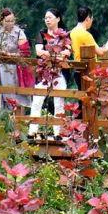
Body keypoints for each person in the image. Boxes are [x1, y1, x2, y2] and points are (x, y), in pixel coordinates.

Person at [28, 8, 71, 139]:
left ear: (58, 18)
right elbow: (39, 51)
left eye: (50, 17)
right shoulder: (42, 33)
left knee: (59, 102)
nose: (47, 20)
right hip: (44, 72)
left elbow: (68, 52)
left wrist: (55, 55)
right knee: (37, 101)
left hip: (58, 72)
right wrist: (55, 55)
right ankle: (32, 131)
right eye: (46, 17)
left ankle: (59, 133)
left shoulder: (64, 35)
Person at [0, 8, 28, 110]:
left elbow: (24, 53)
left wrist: (9, 55)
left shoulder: (19, 32)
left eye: (12, 21)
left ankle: (13, 112)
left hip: (13, 65)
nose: (10, 23)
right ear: (1, 20)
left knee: (11, 92)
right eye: (7, 21)